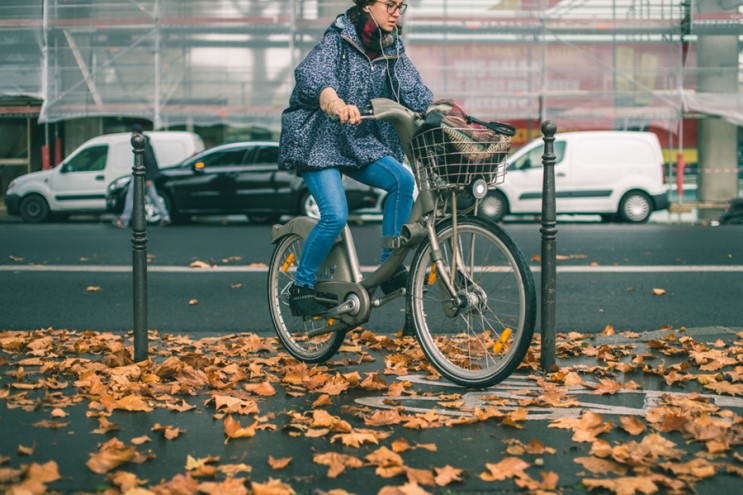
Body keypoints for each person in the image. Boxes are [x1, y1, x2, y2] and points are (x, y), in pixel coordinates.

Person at [278, 0, 433, 316]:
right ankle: (301, 286)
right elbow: (312, 76)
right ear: (366, 6)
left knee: (402, 180)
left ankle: (388, 268)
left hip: (357, 139)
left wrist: (444, 113)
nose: (395, 12)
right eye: (389, 4)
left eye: (400, 6)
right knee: (335, 215)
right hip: (319, 138)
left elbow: (416, 93)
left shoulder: (393, 50)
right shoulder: (339, 37)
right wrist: (334, 103)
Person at [113, 124, 171, 228]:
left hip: (142, 175)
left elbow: (149, 161)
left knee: (131, 196)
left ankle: (125, 219)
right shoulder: (146, 142)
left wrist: (148, 178)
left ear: (136, 133)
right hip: (144, 174)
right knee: (153, 197)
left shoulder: (142, 143)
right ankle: (165, 216)